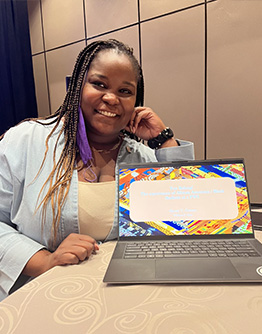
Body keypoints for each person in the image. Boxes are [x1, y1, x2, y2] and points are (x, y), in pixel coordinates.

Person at [0, 39, 194, 300]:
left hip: (124, 302)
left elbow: (190, 221)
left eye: (125, 91)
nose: (111, 98)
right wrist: (45, 260)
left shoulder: (144, 160)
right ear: (78, 85)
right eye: (99, 84)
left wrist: (164, 140)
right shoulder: (27, 141)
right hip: (42, 298)